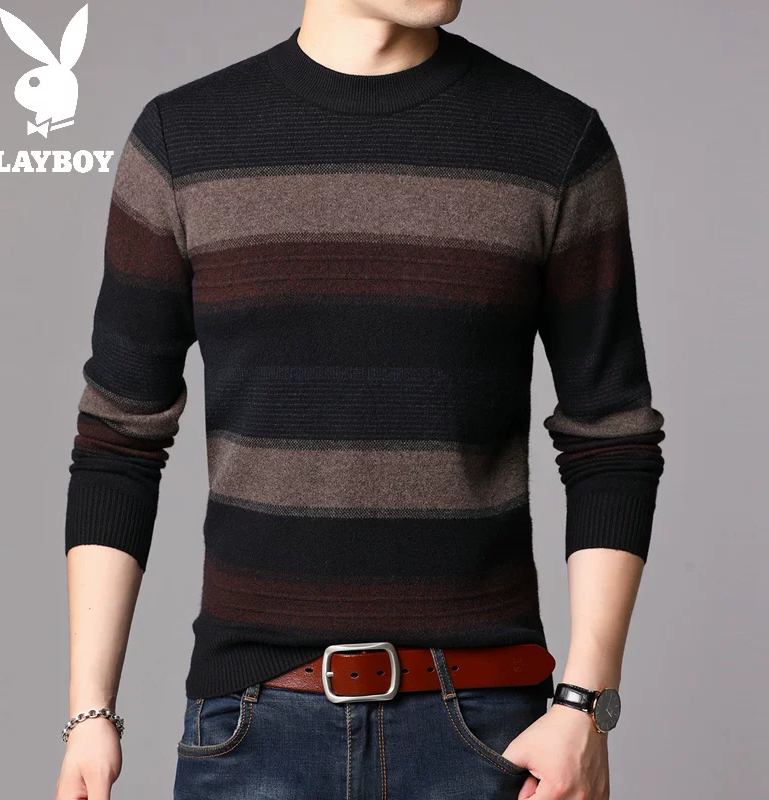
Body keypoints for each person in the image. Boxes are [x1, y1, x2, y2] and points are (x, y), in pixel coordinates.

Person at [55, 1, 666, 799]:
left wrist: (586, 704)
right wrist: (89, 711)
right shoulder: (183, 143)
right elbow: (119, 441)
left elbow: (611, 437)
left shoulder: (553, 142)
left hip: (488, 736)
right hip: (251, 736)